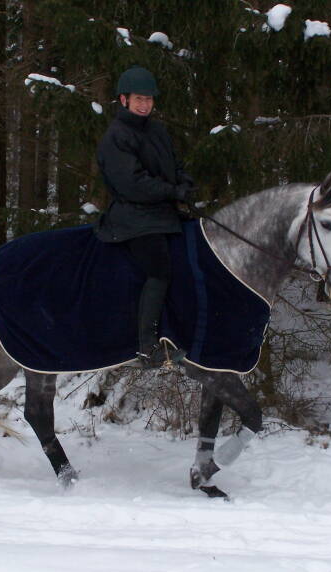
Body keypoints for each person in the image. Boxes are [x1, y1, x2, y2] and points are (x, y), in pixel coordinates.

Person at [95, 66, 195, 368]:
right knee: (159, 269)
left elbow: (175, 166)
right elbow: (133, 184)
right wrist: (172, 191)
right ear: (123, 99)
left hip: (162, 214)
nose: (145, 104)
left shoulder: (157, 131)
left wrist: (184, 184)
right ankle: (147, 347)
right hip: (134, 218)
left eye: (149, 99)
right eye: (139, 99)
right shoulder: (116, 137)